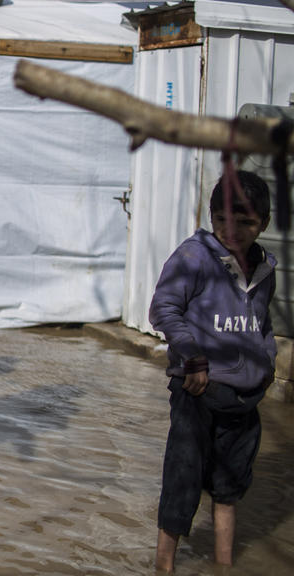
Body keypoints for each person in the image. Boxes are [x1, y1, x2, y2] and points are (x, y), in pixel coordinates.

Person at [149, 170, 276, 572]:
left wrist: (267, 363)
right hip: (197, 393)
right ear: (211, 214)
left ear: (264, 224)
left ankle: (224, 565)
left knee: (230, 487)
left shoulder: (264, 269)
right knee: (182, 483)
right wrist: (193, 357)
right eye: (222, 219)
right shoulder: (194, 257)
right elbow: (163, 309)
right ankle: (163, 566)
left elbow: (262, 324)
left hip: (243, 399)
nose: (232, 230)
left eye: (246, 223)